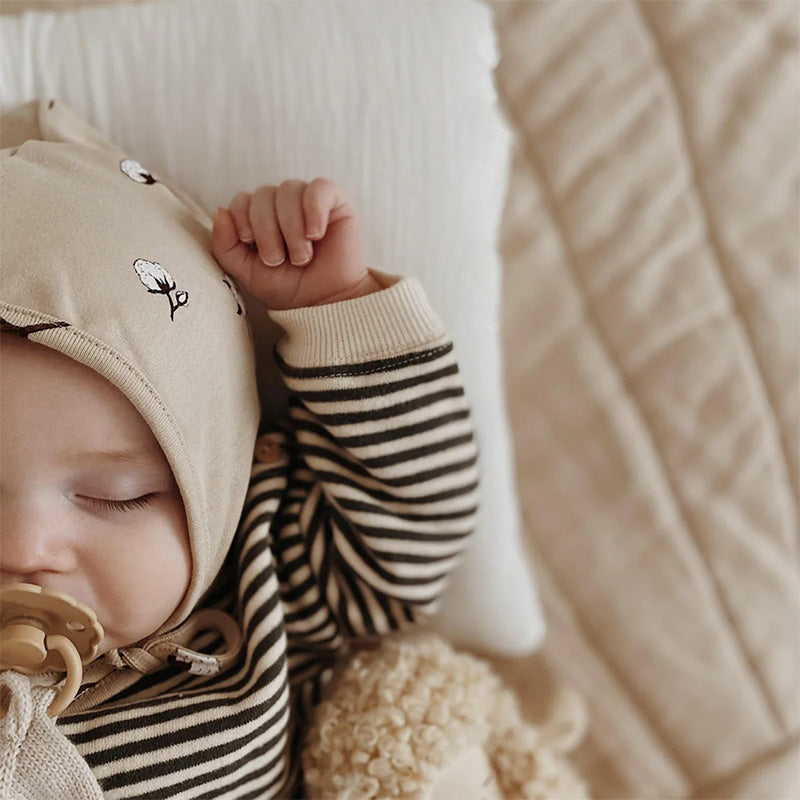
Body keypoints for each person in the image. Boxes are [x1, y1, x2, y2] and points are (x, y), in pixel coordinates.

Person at [0, 100, 480, 799]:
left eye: (116, 495)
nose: (23, 547)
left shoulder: (258, 588)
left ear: (214, 490)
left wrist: (335, 305)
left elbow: (407, 524)